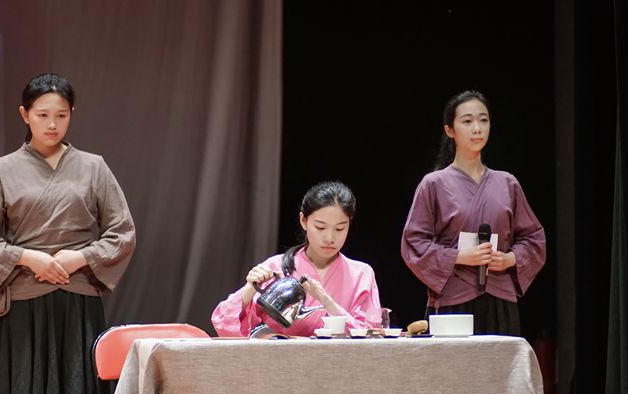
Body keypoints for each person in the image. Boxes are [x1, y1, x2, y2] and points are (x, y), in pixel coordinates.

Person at [0, 72, 136, 394]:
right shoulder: (0, 170)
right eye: (42, 115)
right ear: (24, 115)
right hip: (23, 302)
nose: (52, 124)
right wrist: (28, 257)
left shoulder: (93, 167)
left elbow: (122, 233)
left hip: (77, 303)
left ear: (72, 113)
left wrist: (80, 257)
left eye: (61, 115)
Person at [400, 90, 546, 336]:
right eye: (467, 121)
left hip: (500, 298)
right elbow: (414, 243)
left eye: (483, 120)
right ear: (450, 130)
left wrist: (510, 259)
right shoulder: (434, 184)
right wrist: (459, 257)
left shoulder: (507, 183)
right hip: (453, 299)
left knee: (498, 361)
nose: (477, 128)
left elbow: (534, 239)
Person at [212, 180, 381, 337]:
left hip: (340, 359)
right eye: (320, 227)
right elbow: (223, 322)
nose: (330, 238)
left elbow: (370, 335)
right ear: (304, 221)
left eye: (339, 229)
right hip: (282, 357)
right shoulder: (275, 267)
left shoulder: (362, 274)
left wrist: (327, 302)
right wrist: (250, 288)